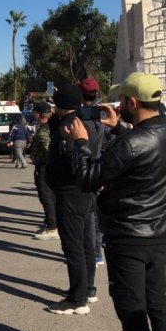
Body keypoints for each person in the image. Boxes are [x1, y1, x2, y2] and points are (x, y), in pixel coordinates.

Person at [66, 72, 166, 331]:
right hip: (159, 233)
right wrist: (117, 127)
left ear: (132, 102)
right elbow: (147, 149)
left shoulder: (133, 142)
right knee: (158, 303)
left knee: (132, 311)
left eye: (122, 101)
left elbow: (89, 178)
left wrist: (80, 142)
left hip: (128, 236)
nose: (118, 105)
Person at [45, 83, 100, 315]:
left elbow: (72, 162)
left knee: (73, 247)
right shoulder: (85, 122)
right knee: (86, 245)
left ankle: (77, 299)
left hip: (70, 193)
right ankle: (88, 289)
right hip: (85, 192)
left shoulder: (69, 129)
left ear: (58, 106)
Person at [78, 77, 108, 267]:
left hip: (86, 167)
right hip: (101, 166)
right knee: (97, 212)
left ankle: (93, 252)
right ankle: (96, 251)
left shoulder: (80, 117)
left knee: (89, 215)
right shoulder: (105, 113)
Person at [29, 101, 58, 241]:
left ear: (38, 114)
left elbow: (49, 151)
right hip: (46, 167)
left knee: (47, 197)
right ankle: (50, 223)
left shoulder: (44, 131)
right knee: (47, 197)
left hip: (45, 167)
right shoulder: (50, 127)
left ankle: (53, 227)